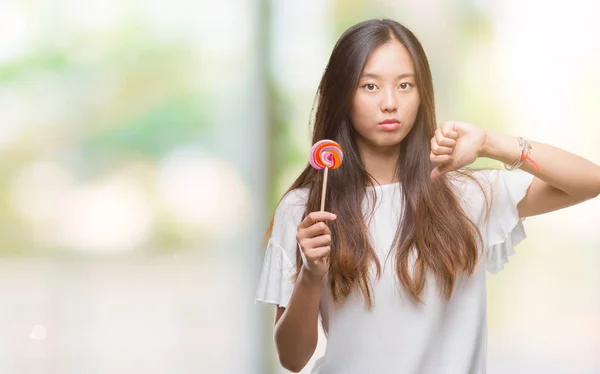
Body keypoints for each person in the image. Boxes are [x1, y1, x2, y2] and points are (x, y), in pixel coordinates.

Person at [254, 18, 600, 373]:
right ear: (344, 94)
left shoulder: (465, 194)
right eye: (370, 86)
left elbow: (591, 181)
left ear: (422, 94)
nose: (390, 102)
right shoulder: (306, 210)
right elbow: (292, 359)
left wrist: (490, 143)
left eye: (405, 85)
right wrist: (311, 275)